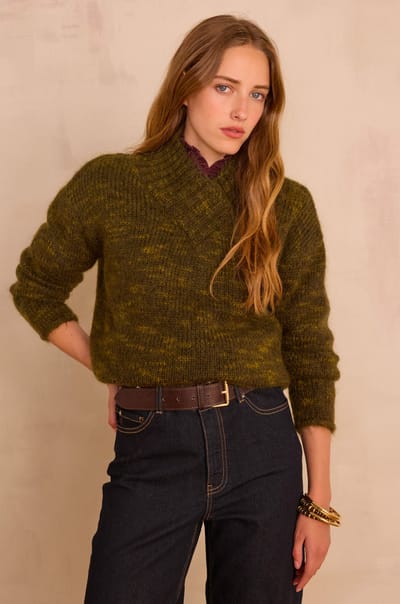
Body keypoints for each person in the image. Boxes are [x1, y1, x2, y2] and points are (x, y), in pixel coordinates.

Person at [10, 14, 340, 604]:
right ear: (186, 86)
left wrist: (318, 501)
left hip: (261, 441)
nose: (241, 110)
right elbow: (35, 286)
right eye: (224, 87)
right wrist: (111, 364)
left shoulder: (285, 204)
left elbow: (310, 351)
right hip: (153, 440)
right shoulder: (113, 184)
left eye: (257, 95)